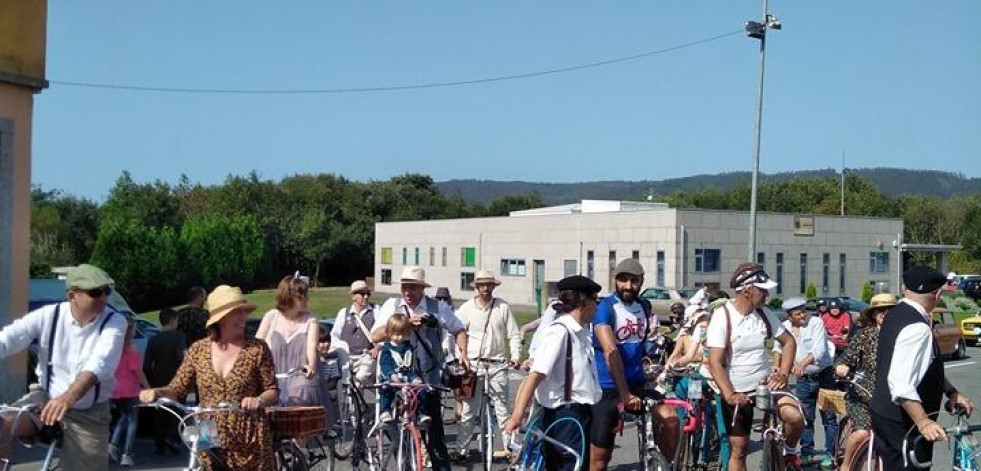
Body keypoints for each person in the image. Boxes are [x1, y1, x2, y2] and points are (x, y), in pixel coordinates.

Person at [0, 264, 126, 471]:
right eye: (95, 292)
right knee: (3, 425)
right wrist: (59, 399)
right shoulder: (48, 316)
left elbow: (100, 363)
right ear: (72, 295)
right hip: (46, 399)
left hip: (89, 410)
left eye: (107, 291)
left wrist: (68, 397)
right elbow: (9, 338)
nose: (103, 298)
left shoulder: (115, 321)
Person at [139, 285, 279, 470]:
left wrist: (259, 400)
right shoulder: (199, 350)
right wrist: (157, 392)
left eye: (244, 312)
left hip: (248, 432)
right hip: (207, 429)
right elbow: (177, 388)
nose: (244, 317)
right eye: (236, 312)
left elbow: (273, 390)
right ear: (220, 318)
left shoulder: (257, 349)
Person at [870, 267, 975, 470]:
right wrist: (924, 422)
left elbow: (922, 366)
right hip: (902, 424)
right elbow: (901, 384)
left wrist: (951, 392)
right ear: (938, 295)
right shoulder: (917, 328)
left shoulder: (894, 314)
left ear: (903, 288)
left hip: (883, 412)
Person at [706, 262, 804, 471]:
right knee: (739, 450)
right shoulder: (722, 316)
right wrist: (730, 394)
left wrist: (784, 373)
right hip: (737, 390)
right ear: (747, 290)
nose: (767, 295)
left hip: (766, 385)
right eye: (763, 290)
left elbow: (789, 342)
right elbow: (714, 362)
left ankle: (789, 450)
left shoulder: (764, 313)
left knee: (795, 418)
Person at [370, 266, 469, 471]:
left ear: (422, 289)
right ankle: (404, 464)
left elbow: (459, 329)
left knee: (435, 437)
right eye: (405, 287)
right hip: (397, 380)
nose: (408, 292)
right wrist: (403, 325)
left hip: (427, 378)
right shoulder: (392, 305)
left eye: (413, 288)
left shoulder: (436, 307)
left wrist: (463, 354)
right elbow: (375, 336)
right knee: (397, 433)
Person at [504, 275, 603, 471]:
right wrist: (517, 416)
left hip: (580, 415)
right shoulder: (559, 332)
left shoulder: (581, 333)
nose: (597, 306)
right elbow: (535, 376)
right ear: (584, 302)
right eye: (595, 300)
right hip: (566, 417)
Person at [590, 258, 679, 470]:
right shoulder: (605, 308)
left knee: (671, 419)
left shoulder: (644, 306)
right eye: (623, 280)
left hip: (637, 384)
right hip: (608, 388)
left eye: (634, 281)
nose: (628, 286)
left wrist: (649, 369)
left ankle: (661, 464)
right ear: (614, 280)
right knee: (600, 459)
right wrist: (624, 394)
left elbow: (641, 344)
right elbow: (611, 351)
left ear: (642, 281)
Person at [452, 270, 522, 461]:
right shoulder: (466, 309)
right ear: (475, 286)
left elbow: (514, 334)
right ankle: (461, 451)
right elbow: (456, 333)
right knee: (468, 411)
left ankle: (510, 448)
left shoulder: (502, 307)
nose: (485, 288)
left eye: (489, 285)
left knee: (502, 410)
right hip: (474, 365)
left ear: (493, 286)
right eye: (481, 285)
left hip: (498, 364)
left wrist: (515, 356)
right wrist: (461, 356)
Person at [834, 293, 896, 470]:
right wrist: (842, 367)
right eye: (880, 310)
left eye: (889, 310)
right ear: (873, 314)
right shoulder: (864, 335)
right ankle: (845, 466)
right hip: (863, 394)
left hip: (891, 396)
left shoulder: (901, 336)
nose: (884, 314)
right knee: (861, 433)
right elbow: (845, 359)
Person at [773, 297, 835, 467]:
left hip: (823, 375)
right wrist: (777, 367)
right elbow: (778, 349)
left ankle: (831, 455)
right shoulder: (784, 327)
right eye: (798, 313)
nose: (803, 315)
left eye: (804, 311)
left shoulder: (816, 323)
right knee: (805, 417)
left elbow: (819, 351)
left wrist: (801, 364)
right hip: (803, 380)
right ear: (789, 315)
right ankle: (807, 452)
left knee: (829, 418)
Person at [256, 274, 321, 406]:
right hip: (271, 380)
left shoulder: (310, 319)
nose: (307, 300)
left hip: (299, 381)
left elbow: (311, 348)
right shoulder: (271, 316)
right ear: (289, 297)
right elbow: (256, 346)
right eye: (302, 296)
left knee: (301, 392)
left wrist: (312, 366)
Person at [143, 307, 186, 455]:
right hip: (176, 377)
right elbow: (181, 357)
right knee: (177, 409)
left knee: (160, 410)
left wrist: (149, 381)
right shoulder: (179, 337)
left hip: (158, 378)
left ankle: (159, 441)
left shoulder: (153, 339)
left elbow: (147, 364)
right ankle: (174, 438)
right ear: (173, 320)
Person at [108, 318, 150, 467]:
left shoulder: (114, 348)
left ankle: (113, 444)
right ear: (131, 331)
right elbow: (138, 372)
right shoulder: (132, 350)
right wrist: (147, 387)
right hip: (130, 389)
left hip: (115, 389)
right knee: (132, 421)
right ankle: (127, 453)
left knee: (122, 417)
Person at [377, 314, 431, 425]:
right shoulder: (387, 348)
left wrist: (416, 376)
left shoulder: (409, 347)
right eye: (396, 334)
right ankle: (385, 411)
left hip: (408, 377)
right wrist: (391, 375)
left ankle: (421, 413)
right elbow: (385, 364)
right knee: (386, 388)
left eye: (403, 334)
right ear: (389, 333)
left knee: (421, 389)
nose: (400, 337)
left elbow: (414, 364)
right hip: (392, 377)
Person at [330, 280, 379, 387]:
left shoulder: (376, 310)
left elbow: (383, 332)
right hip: (348, 358)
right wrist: (340, 349)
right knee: (347, 384)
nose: (366, 297)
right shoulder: (343, 313)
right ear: (353, 296)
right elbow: (334, 335)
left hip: (366, 356)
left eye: (368, 294)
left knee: (360, 377)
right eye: (362, 294)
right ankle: (353, 401)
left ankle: (356, 393)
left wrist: (378, 347)